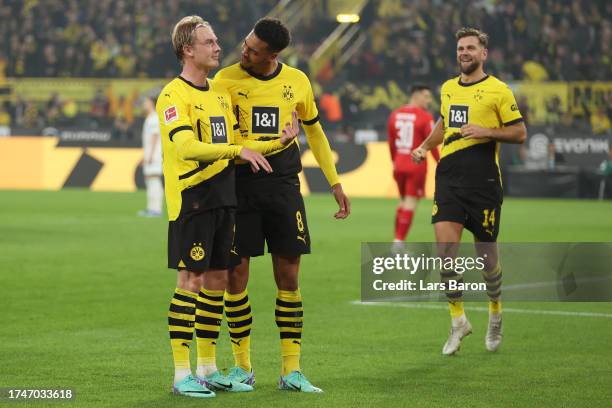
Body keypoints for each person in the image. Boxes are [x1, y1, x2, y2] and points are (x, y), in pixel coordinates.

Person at [157, 15, 299, 398]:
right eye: (209, 42)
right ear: (188, 49)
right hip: (193, 199)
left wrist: (278, 143)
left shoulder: (218, 95)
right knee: (190, 282)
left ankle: (207, 368)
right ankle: (180, 374)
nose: (219, 46)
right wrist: (239, 149)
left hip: (224, 198)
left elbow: (239, 147)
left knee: (217, 282)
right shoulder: (173, 95)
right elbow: (186, 147)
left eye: (216, 40)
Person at [215, 17, 351, 393]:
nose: (245, 51)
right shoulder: (224, 81)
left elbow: (315, 132)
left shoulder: (298, 82)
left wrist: (334, 181)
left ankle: (291, 370)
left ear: (272, 55)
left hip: (283, 185)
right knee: (234, 277)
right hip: (239, 185)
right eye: (245, 43)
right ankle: (242, 367)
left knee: (289, 276)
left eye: (254, 50)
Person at [412, 27, 526, 356]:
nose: (464, 52)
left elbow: (519, 132)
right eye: (461, 47)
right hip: (448, 178)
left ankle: (495, 312)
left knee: (487, 259)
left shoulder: (499, 91)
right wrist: (423, 146)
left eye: (471, 48)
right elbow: (443, 124)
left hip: (484, 182)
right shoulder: (448, 88)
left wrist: (486, 130)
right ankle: (458, 320)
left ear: (483, 54)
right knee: (446, 254)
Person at [387, 85, 439, 251]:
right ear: (416, 96)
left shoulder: (395, 114)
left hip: (398, 165)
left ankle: (397, 241)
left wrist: (394, 161)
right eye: (426, 96)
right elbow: (432, 143)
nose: (429, 100)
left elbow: (391, 142)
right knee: (410, 203)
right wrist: (441, 163)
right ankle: (398, 243)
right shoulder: (425, 117)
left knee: (402, 203)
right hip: (416, 165)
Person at [139, 95, 164, 217]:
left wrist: (149, 156)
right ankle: (150, 208)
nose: (144, 105)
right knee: (150, 180)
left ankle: (156, 209)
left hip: (154, 155)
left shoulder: (154, 118)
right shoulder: (149, 117)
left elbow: (155, 137)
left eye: (146, 102)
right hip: (150, 154)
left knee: (154, 180)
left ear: (152, 103)